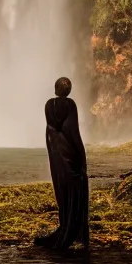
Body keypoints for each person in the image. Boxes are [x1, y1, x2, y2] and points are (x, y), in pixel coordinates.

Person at [35, 76, 89, 250]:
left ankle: (65, 225)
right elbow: (72, 131)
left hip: (57, 158)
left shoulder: (48, 105)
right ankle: (76, 233)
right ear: (68, 91)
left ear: (55, 89)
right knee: (77, 192)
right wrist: (82, 155)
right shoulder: (70, 105)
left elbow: (53, 129)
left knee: (63, 191)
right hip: (71, 157)